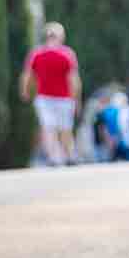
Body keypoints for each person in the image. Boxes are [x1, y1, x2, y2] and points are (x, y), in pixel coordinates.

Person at [19, 22, 81, 166]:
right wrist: (77, 99)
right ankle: (69, 155)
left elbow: (27, 75)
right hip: (64, 98)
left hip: (44, 98)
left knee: (48, 128)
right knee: (65, 128)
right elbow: (74, 80)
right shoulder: (67, 54)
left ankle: (55, 157)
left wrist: (24, 91)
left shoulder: (37, 54)